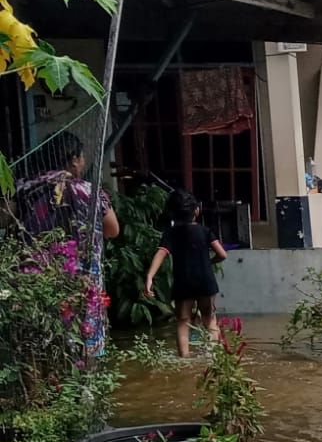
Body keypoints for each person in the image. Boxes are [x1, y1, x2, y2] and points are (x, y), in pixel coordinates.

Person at [14, 132, 119, 356]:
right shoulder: (90, 191)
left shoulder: (24, 189)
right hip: (83, 280)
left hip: (38, 281)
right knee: (86, 342)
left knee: (44, 346)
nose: (83, 162)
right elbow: (113, 230)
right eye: (81, 157)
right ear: (73, 159)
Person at [144, 193, 227, 358]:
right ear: (196, 211)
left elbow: (162, 253)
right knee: (210, 320)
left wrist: (149, 277)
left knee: (183, 321)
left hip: (184, 282)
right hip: (205, 281)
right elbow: (222, 254)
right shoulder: (204, 231)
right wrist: (209, 262)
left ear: (172, 213)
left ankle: (184, 358)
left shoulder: (171, 233)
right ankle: (212, 357)